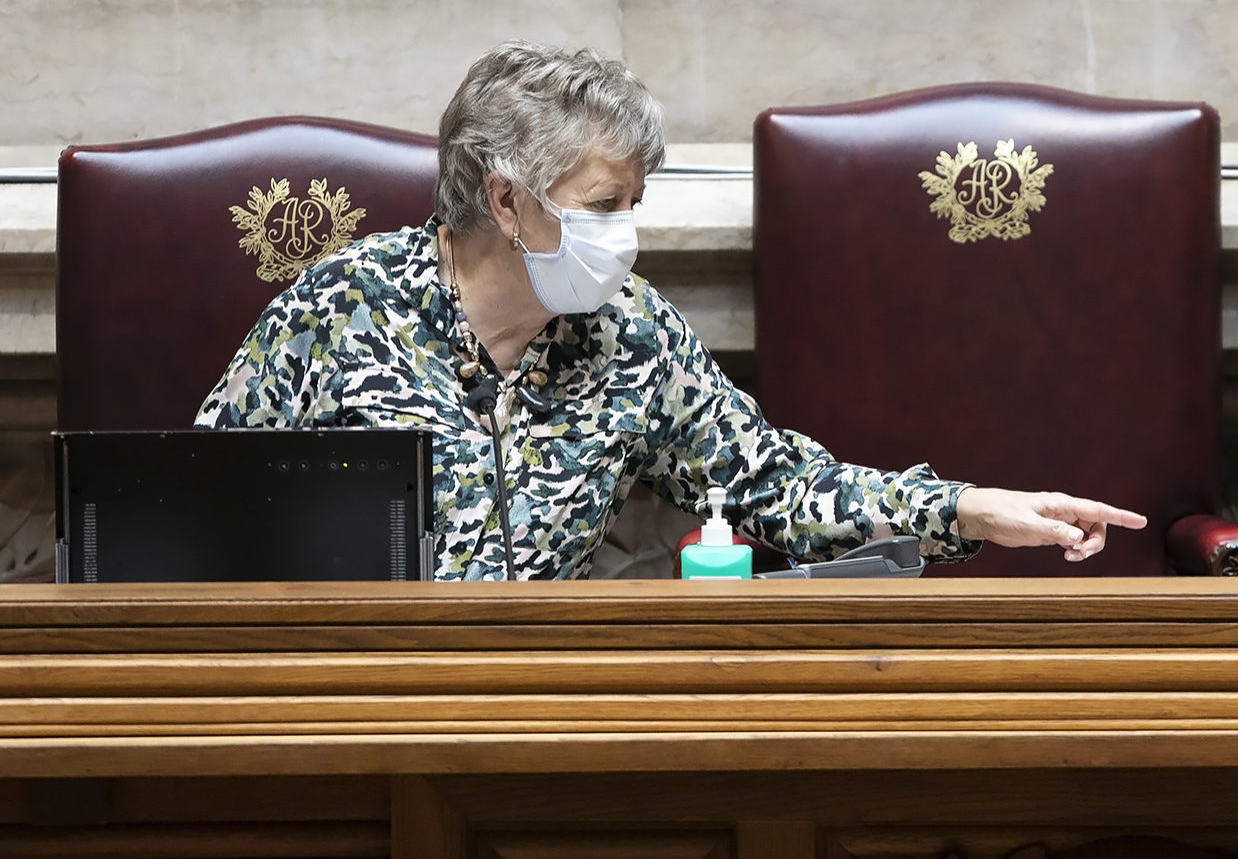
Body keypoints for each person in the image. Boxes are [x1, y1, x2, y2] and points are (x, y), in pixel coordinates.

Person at [197, 41, 1145, 579]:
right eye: (603, 205)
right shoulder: (344, 308)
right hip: (347, 702)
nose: (626, 235)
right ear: (504, 199)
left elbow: (774, 482)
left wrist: (968, 508)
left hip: (545, 714)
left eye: (633, 206)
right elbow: (189, 516)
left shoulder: (630, 331)